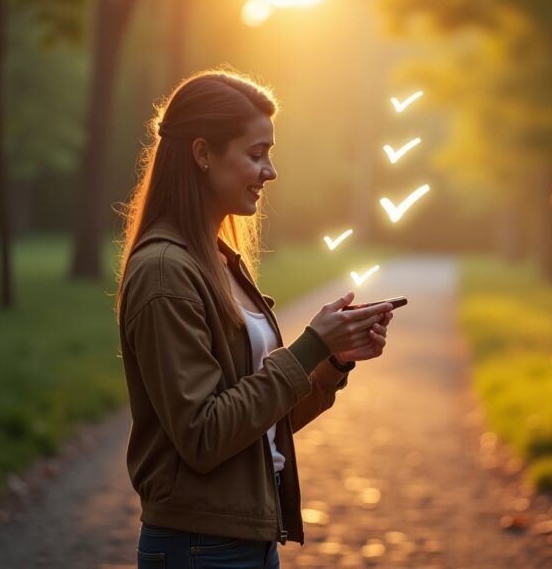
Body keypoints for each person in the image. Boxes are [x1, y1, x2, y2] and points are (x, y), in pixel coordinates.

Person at [114, 69, 394, 568]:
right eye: (256, 153)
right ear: (203, 154)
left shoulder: (218, 263)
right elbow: (204, 435)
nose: (270, 171)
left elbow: (258, 423)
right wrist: (308, 347)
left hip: (246, 540)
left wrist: (333, 361)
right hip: (199, 548)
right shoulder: (164, 272)